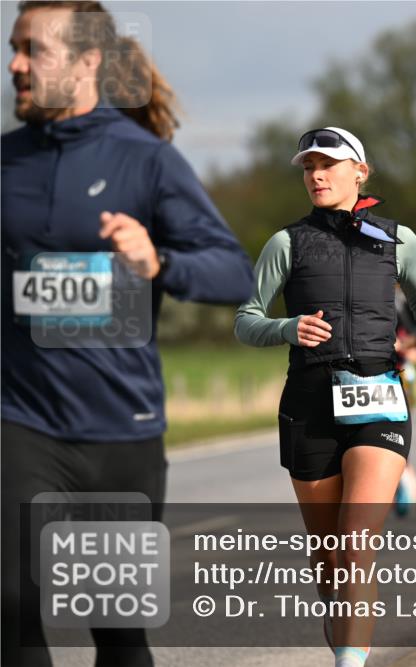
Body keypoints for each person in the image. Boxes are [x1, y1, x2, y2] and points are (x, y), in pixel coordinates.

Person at [2, 3, 254, 665]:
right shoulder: (5, 164)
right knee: (12, 604)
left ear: (89, 62)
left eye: (32, 50)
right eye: (12, 48)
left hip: (121, 428)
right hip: (20, 420)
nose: (15, 66)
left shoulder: (147, 162)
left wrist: (159, 262)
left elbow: (235, 272)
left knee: (113, 629)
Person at [234, 126, 416, 666]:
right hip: (308, 404)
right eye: (307, 167)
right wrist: (287, 329)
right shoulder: (287, 243)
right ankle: (345, 636)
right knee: (331, 559)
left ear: (361, 171)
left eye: (327, 164)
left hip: (378, 394)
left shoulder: (398, 239)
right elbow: (246, 321)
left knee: (356, 543)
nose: (316, 175)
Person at [393, 286, 416, 517]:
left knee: (397, 427)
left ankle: (405, 477)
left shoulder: (405, 302)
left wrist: (405, 346)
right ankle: (402, 478)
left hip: (400, 372)